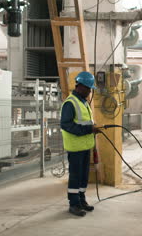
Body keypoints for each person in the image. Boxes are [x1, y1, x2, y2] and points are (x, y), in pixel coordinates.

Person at [60, 71, 100, 217]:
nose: (90, 91)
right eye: (88, 88)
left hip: (85, 146)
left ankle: (81, 200)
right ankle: (74, 204)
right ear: (80, 86)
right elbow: (66, 125)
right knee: (75, 176)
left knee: (83, 177)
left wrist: (93, 128)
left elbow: (85, 121)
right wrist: (89, 129)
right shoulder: (70, 103)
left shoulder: (83, 102)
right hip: (75, 147)